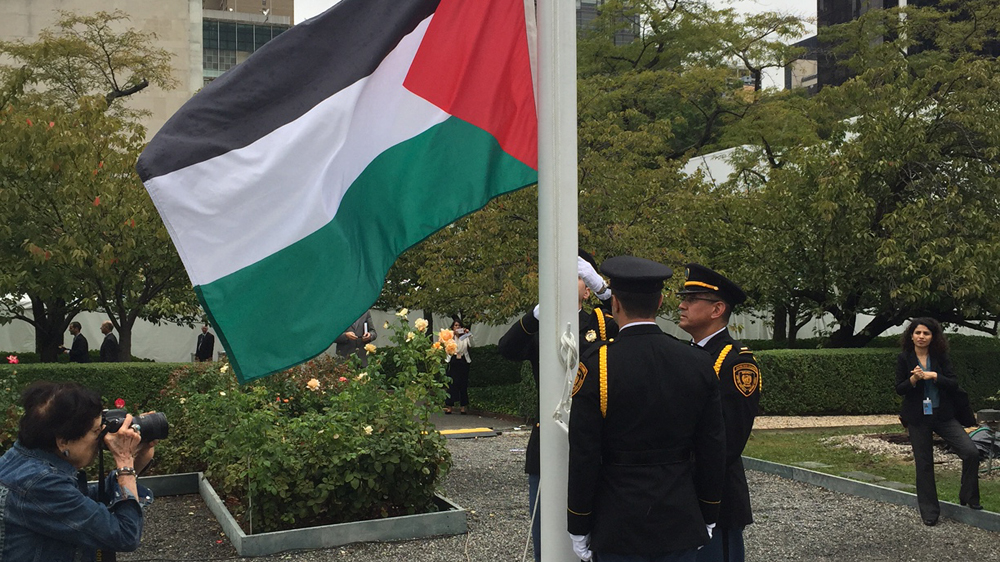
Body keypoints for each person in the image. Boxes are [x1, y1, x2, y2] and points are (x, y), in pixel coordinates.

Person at [567, 255, 725, 562]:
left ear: (615, 304)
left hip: (618, 521)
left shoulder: (598, 363)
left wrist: (579, 523)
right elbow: (712, 447)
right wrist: (708, 512)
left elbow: (584, 453)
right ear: (660, 301)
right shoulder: (697, 361)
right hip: (680, 516)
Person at [498, 249, 617, 562]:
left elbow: (634, 321)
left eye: (576, 275)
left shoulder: (601, 324)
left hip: (596, 440)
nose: (566, 279)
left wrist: (604, 291)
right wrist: (538, 314)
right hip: (548, 439)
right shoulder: (542, 324)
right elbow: (507, 348)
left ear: (587, 289)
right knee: (547, 536)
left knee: (595, 537)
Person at [0, 381, 155, 560]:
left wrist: (134, 461)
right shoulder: (40, 483)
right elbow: (125, 535)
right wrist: (124, 462)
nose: (102, 437)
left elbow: (81, 501)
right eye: (96, 431)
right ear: (63, 441)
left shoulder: (20, 461)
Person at [677, 264, 760, 562]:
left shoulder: (735, 363)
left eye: (691, 299)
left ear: (717, 309)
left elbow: (728, 440)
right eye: (683, 298)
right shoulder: (686, 355)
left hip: (717, 498)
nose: (682, 305)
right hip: (680, 496)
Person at [896, 317, 981, 526]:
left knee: (970, 452)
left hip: (943, 415)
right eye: (918, 333)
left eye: (926, 333)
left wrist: (934, 376)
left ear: (933, 337)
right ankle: (930, 512)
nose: (921, 337)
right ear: (911, 336)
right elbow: (900, 388)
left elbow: (953, 383)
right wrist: (914, 379)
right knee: (924, 464)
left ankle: (969, 496)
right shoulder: (904, 358)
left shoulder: (940, 357)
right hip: (918, 418)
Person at [444, 319, 473, 415]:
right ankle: (449, 406)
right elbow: (446, 347)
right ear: (453, 327)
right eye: (455, 325)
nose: (457, 327)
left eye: (459, 326)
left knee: (463, 383)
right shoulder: (450, 337)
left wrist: (469, 334)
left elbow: (472, 344)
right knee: (451, 383)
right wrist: (452, 335)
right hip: (453, 360)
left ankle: (463, 407)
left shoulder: (465, 337)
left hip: (463, 360)